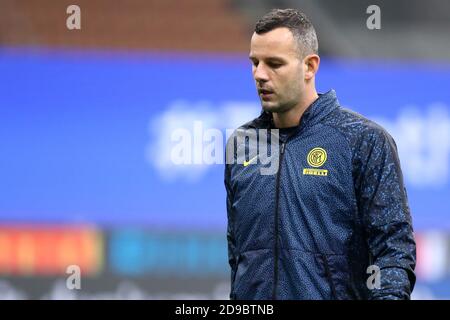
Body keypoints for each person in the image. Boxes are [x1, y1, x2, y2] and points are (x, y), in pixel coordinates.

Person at [224, 8, 416, 300]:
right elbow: (238, 253)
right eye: (255, 62)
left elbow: (393, 251)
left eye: (274, 64)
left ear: (310, 66)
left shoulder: (363, 141)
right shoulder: (242, 144)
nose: (260, 75)